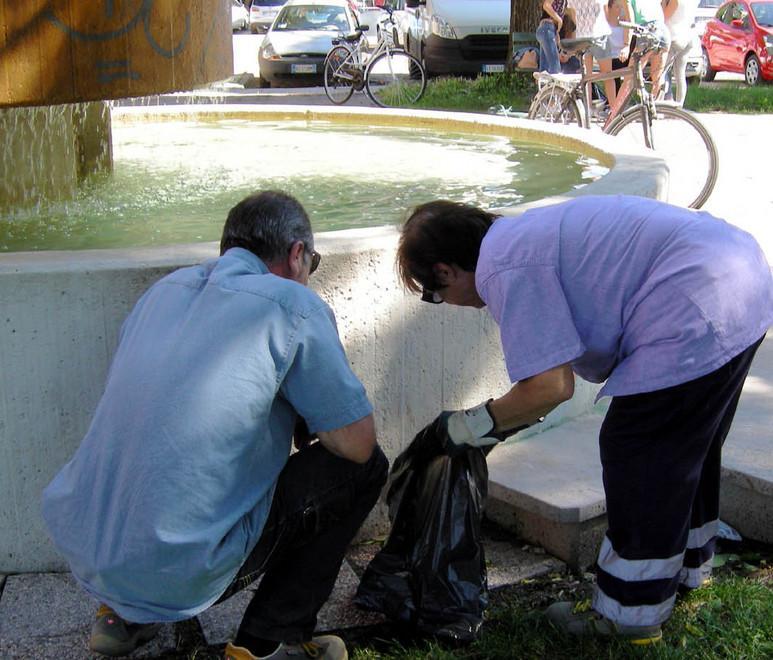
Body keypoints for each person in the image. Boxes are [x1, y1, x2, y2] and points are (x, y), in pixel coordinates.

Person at [395, 195, 773, 644]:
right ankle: (689, 568)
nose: (446, 302)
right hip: (741, 281)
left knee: (636, 451)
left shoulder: (504, 268)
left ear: (444, 272)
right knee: (686, 445)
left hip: (694, 302)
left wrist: (464, 429)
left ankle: (629, 615)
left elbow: (550, 387)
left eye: (434, 295)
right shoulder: (521, 237)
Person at [42, 191, 388, 660]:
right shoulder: (294, 306)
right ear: (297, 254)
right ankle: (267, 643)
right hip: (179, 567)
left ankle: (122, 616)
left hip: (92, 553)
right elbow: (356, 443)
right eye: (314, 261)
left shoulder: (163, 291)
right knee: (362, 469)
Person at [662, 0, 700, 105]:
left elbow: (664, 17)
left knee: (662, 72)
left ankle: (664, 102)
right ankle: (679, 105)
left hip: (674, 37)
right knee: (680, 75)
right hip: (688, 37)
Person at [536, 0, 569, 73]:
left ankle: (543, 79)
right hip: (547, 29)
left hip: (549, 30)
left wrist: (556, 33)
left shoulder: (564, 2)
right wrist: (559, 20)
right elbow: (546, 5)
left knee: (545, 70)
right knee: (555, 68)